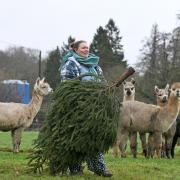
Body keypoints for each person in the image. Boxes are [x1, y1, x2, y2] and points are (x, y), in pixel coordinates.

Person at [60, 40, 113, 177]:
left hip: (95, 109)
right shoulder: (71, 63)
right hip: (77, 107)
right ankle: (75, 168)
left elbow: (102, 83)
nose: (86, 50)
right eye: (83, 48)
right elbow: (67, 86)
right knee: (76, 138)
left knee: (95, 137)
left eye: (87, 48)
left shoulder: (95, 65)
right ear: (76, 49)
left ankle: (99, 167)